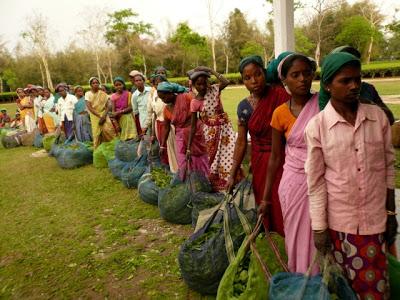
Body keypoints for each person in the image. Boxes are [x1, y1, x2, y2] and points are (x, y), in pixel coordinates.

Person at [305, 52, 397, 299]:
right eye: (345, 81)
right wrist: (319, 229)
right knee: (345, 290)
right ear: (327, 85)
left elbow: (388, 167)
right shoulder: (317, 127)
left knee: (377, 289)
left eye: (357, 79)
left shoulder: (377, 118)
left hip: (376, 222)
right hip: (340, 225)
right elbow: (315, 184)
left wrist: (391, 214)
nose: (354, 86)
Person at [261, 53, 319, 274]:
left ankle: (321, 281)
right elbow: (276, 157)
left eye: (307, 73)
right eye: (295, 75)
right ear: (284, 80)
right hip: (293, 183)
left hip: (322, 179)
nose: (303, 79)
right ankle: (300, 278)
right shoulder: (280, 114)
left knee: (322, 234)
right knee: (296, 234)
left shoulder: (323, 105)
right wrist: (266, 198)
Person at [227, 55, 291, 236]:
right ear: (243, 81)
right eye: (247, 78)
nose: (254, 81)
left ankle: (289, 239)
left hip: (284, 158)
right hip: (259, 160)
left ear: (265, 73)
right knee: (264, 199)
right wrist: (233, 173)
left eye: (258, 74)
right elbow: (241, 141)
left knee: (283, 200)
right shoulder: (244, 108)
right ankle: (270, 239)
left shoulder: (281, 96)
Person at [188, 66, 235, 191]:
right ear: (193, 85)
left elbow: (226, 82)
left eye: (204, 83)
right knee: (213, 160)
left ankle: (230, 182)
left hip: (225, 131)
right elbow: (193, 126)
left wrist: (212, 71)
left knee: (229, 156)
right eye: (198, 84)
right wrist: (188, 147)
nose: (202, 87)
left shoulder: (214, 90)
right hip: (209, 134)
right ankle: (217, 185)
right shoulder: (194, 102)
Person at [325, 45, 395, 124]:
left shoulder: (368, 88)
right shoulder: (324, 99)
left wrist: (368, 105)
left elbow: (389, 118)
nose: (354, 86)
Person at [157, 82, 209, 178]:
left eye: (164, 97)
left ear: (171, 93)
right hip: (180, 136)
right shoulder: (166, 110)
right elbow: (166, 127)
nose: (163, 100)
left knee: (198, 157)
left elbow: (201, 107)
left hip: (195, 132)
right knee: (182, 160)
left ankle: (203, 179)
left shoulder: (186, 97)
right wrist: (162, 145)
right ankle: (187, 181)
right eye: (161, 98)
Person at [146, 74, 179, 171]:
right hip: (159, 124)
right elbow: (153, 114)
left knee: (173, 147)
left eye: (160, 83)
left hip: (170, 125)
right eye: (156, 84)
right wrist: (152, 133)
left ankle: (177, 168)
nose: (158, 86)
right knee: (163, 146)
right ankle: (169, 167)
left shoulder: (170, 94)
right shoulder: (153, 95)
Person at [85, 77, 117, 148]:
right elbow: (89, 107)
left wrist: (104, 116)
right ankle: (97, 150)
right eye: (93, 83)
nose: (95, 84)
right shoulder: (88, 94)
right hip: (94, 116)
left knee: (109, 131)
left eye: (97, 83)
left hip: (104, 114)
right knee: (97, 134)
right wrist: (99, 116)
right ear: (90, 85)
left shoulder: (103, 93)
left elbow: (108, 105)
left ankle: (113, 147)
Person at [110, 77, 136, 141]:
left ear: (123, 85)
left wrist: (119, 112)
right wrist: (116, 124)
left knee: (131, 137)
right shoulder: (113, 96)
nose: (118, 86)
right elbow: (113, 112)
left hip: (128, 118)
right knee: (123, 138)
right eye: (116, 85)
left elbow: (130, 108)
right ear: (114, 86)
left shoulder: (128, 94)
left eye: (120, 84)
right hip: (119, 119)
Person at [131, 71, 151, 138]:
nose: (138, 82)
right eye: (136, 81)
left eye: (140, 80)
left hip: (153, 119)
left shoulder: (151, 90)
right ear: (134, 83)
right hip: (144, 122)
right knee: (148, 140)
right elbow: (136, 112)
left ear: (143, 81)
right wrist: (139, 129)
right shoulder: (134, 96)